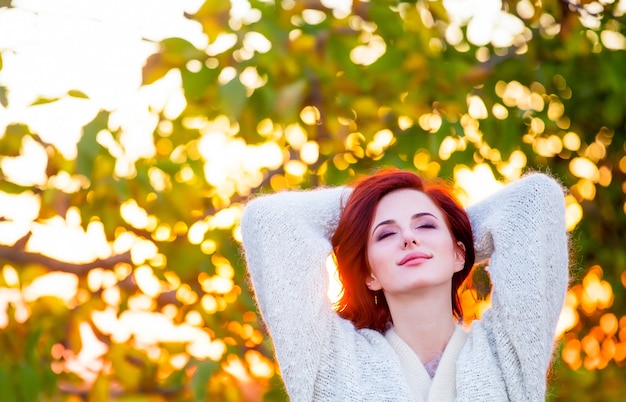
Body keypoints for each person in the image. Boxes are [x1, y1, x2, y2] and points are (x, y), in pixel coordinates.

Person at [240, 168, 569, 401]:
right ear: (370, 274)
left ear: (460, 255)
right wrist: (363, 204)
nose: (409, 237)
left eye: (425, 225)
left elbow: (534, 200)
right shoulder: (335, 360)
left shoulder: (505, 354)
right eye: (385, 233)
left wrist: (457, 231)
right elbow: (270, 220)